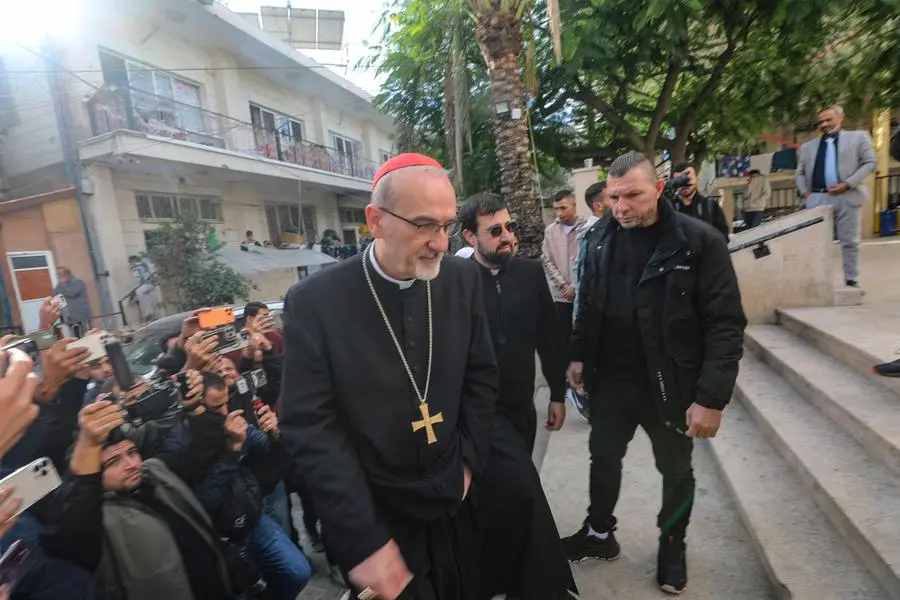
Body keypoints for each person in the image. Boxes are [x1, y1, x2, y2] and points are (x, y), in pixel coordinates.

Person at [280, 153, 498, 600]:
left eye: (447, 225)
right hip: (380, 511)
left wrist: (469, 463)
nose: (440, 243)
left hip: (455, 492)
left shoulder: (461, 278)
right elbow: (311, 428)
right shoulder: (315, 302)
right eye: (424, 225)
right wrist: (363, 538)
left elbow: (481, 375)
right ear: (376, 221)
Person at [563, 152, 747, 595]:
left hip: (672, 386)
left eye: (633, 195)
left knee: (676, 470)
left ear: (659, 188)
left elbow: (725, 323)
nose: (621, 206)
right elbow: (588, 304)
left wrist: (710, 399)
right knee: (603, 457)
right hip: (613, 381)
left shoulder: (698, 242)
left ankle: (672, 543)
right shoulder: (601, 238)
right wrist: (578, 356)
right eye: (614, 196)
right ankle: (600, 532)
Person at [458, 193, 576, 600]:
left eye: (510, 228)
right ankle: (545, 588)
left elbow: (549, 336)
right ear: (470, 236)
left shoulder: (528, 274)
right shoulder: (454, 281)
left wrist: (558, 395)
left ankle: (498, 579)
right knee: (523, 489)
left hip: (521, 409)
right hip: (477, 414)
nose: (508, 236)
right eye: (495, 230)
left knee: (504, 498)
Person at [42, 400, 235, 600]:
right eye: (113, 462)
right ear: (94, 474)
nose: (131, 465)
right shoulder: (96, 522)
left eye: (132, 453)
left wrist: (196, 407)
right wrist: (88, 448)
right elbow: (69, 528)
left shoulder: (156, 473)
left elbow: (205, 448)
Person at [795, 105, 877, 289]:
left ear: (841, 118)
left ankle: (851, 280)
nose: (824, 124)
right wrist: (804, 193)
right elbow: (799, 172)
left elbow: (871, 162)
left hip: (848, 195)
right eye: (821, 121)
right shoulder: (808, 147)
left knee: (849, 241)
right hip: (817, 198)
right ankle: (817, 281)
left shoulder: (858, 138)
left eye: (828, 120)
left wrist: (847, 183)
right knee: (815, 243)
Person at [541, 189, 586, 360]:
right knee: (562, 335)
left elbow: (587, 260)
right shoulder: (550, 231)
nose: (559, 213)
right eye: (556, 209)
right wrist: (564, 285)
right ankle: (567, 373)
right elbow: (547, 260)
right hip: (560, 295)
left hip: (582, 292)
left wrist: (575, 286)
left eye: (563, 208)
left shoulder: (586, 228)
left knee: (583, 332)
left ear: (574, 205)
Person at [670, 163, 730, 241]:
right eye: (679, 180)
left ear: (697, 179)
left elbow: (723, 237)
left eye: (688, 179)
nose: (684, 184)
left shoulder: (710, 205)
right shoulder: (669, 207)